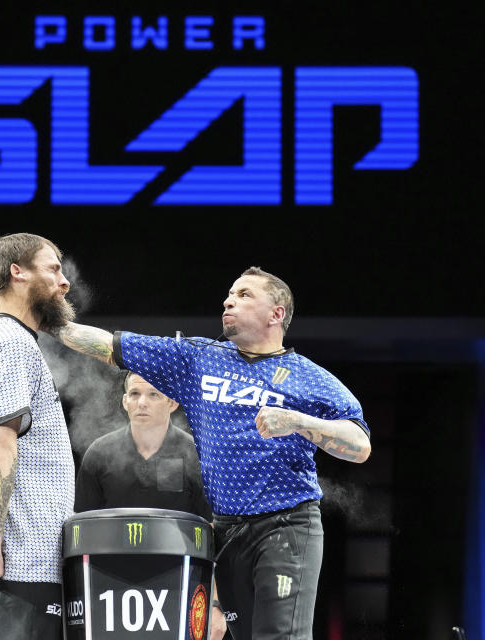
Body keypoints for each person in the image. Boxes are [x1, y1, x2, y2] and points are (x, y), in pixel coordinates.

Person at [54, 266, 371, 640]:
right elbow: (108, 345)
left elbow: (360, 445)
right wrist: (47, 318)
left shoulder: (310, 376)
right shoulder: (198, 358)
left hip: (287, 527)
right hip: (226, 532)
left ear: (277, 313)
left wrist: (299, 421)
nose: (228, 300)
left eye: (244, 294)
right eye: (229, 294)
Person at [0, 232, 76, 639]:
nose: (64, 282)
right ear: (18, 272)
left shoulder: (17, 342)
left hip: (35, 560)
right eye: (53, 269)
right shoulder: (11, 344)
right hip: (28, 559)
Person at [74, 371, 211, 519]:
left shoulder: (196, 453)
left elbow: (209, 524)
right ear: (125, 401)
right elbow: (83, 522)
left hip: (176, 542)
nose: (142, 403)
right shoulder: (99, 452)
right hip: (112, 542)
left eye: (154, 394)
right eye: (135, 394)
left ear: (172, 402)